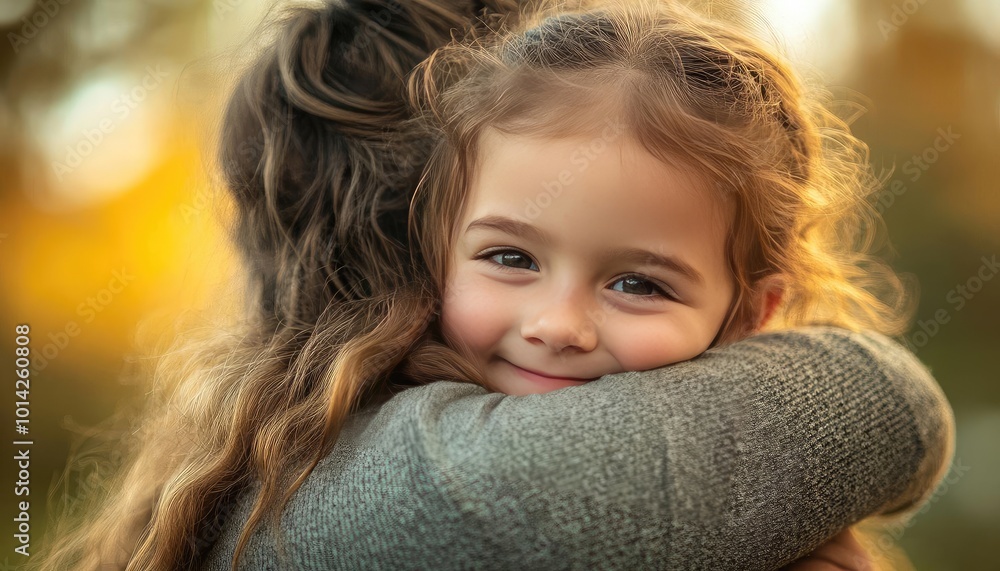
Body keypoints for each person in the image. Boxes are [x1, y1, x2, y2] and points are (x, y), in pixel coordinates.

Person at [31, 1, 953, 570]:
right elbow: (895, 406)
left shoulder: (275, 438)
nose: (557, 323)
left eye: (637, 280)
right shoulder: (338, 485)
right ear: (427, 235)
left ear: (750, 309)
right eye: (510, 256)